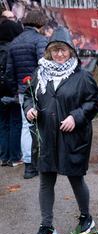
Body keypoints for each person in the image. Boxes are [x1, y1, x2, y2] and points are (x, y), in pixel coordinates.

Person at [23, 26, 98, 234]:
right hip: (46, 136)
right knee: (46, 181)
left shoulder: (82, 75)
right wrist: (29, 109)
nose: (59, 55)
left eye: (63, 50)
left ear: (71, 51)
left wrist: (76, 116)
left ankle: (86, 218)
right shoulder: (40, 72)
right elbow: (29, 96)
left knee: (76, 177)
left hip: (72, 137)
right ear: (49, 51)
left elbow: (94, 102)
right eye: (55, 50)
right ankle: (46, 227)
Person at [6, 10, 47, 178]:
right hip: (41, 89)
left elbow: (9, 71)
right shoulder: (40, 40)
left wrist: (16, 90)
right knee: (44, 123)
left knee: (26, 125)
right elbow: (44, 65)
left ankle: (29, 166)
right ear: (39, 24)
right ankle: (45, 162)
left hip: (23, 90)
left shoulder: (14, 43)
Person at [0, 14, 23, 166]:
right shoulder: (13, 49)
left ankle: (4, 156)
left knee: (3, 123)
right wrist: (15, 89)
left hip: (0, 93)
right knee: (15, 123)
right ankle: (14, 156)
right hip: (11, 92)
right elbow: (11, 73)